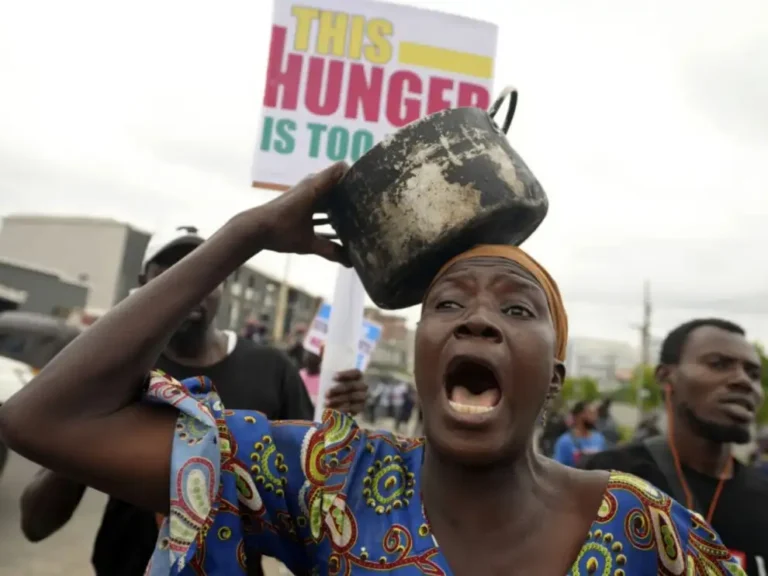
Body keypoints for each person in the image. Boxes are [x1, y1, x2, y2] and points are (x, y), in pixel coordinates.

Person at [0, 163, 742, 575]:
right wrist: (246, 233)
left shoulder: (647, 530)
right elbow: (48, 420)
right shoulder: (333, 478)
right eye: (448, 305)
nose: (477, 318)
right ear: (421, 361)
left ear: (553, 376)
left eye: (517, 311)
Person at [18, 223, 367, 576]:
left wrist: (335, 423)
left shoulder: (272, 370)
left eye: (202, 270)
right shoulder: (119, 371)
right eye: (170, 272)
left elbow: (313, 495)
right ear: (143, 283)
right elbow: (36, 524)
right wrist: (88, 419)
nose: (188, 286)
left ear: (223, 283)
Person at [584, 319, 768, 574]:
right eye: (718, 364)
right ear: (665, 376)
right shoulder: (608, 479)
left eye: (754, 373)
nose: (743, 380)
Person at [553, 400, 606, 467]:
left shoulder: (599, 438)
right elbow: (557, 468)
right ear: (578, 416)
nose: (595, 417)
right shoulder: (565, 441)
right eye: (590, 413)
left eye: (595, 414)